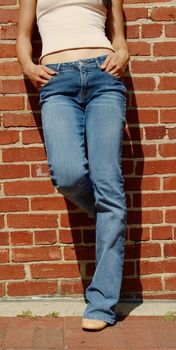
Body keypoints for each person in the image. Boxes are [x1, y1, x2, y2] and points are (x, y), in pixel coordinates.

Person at [16, 0, 130, 331]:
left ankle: (102, 303)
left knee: (109, 185)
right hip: (57, 81)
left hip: (103, 77)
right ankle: (111, 216)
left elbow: (118, 35)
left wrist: (122, 50)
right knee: (67, 175)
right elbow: (23, 36)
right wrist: (26, 63)